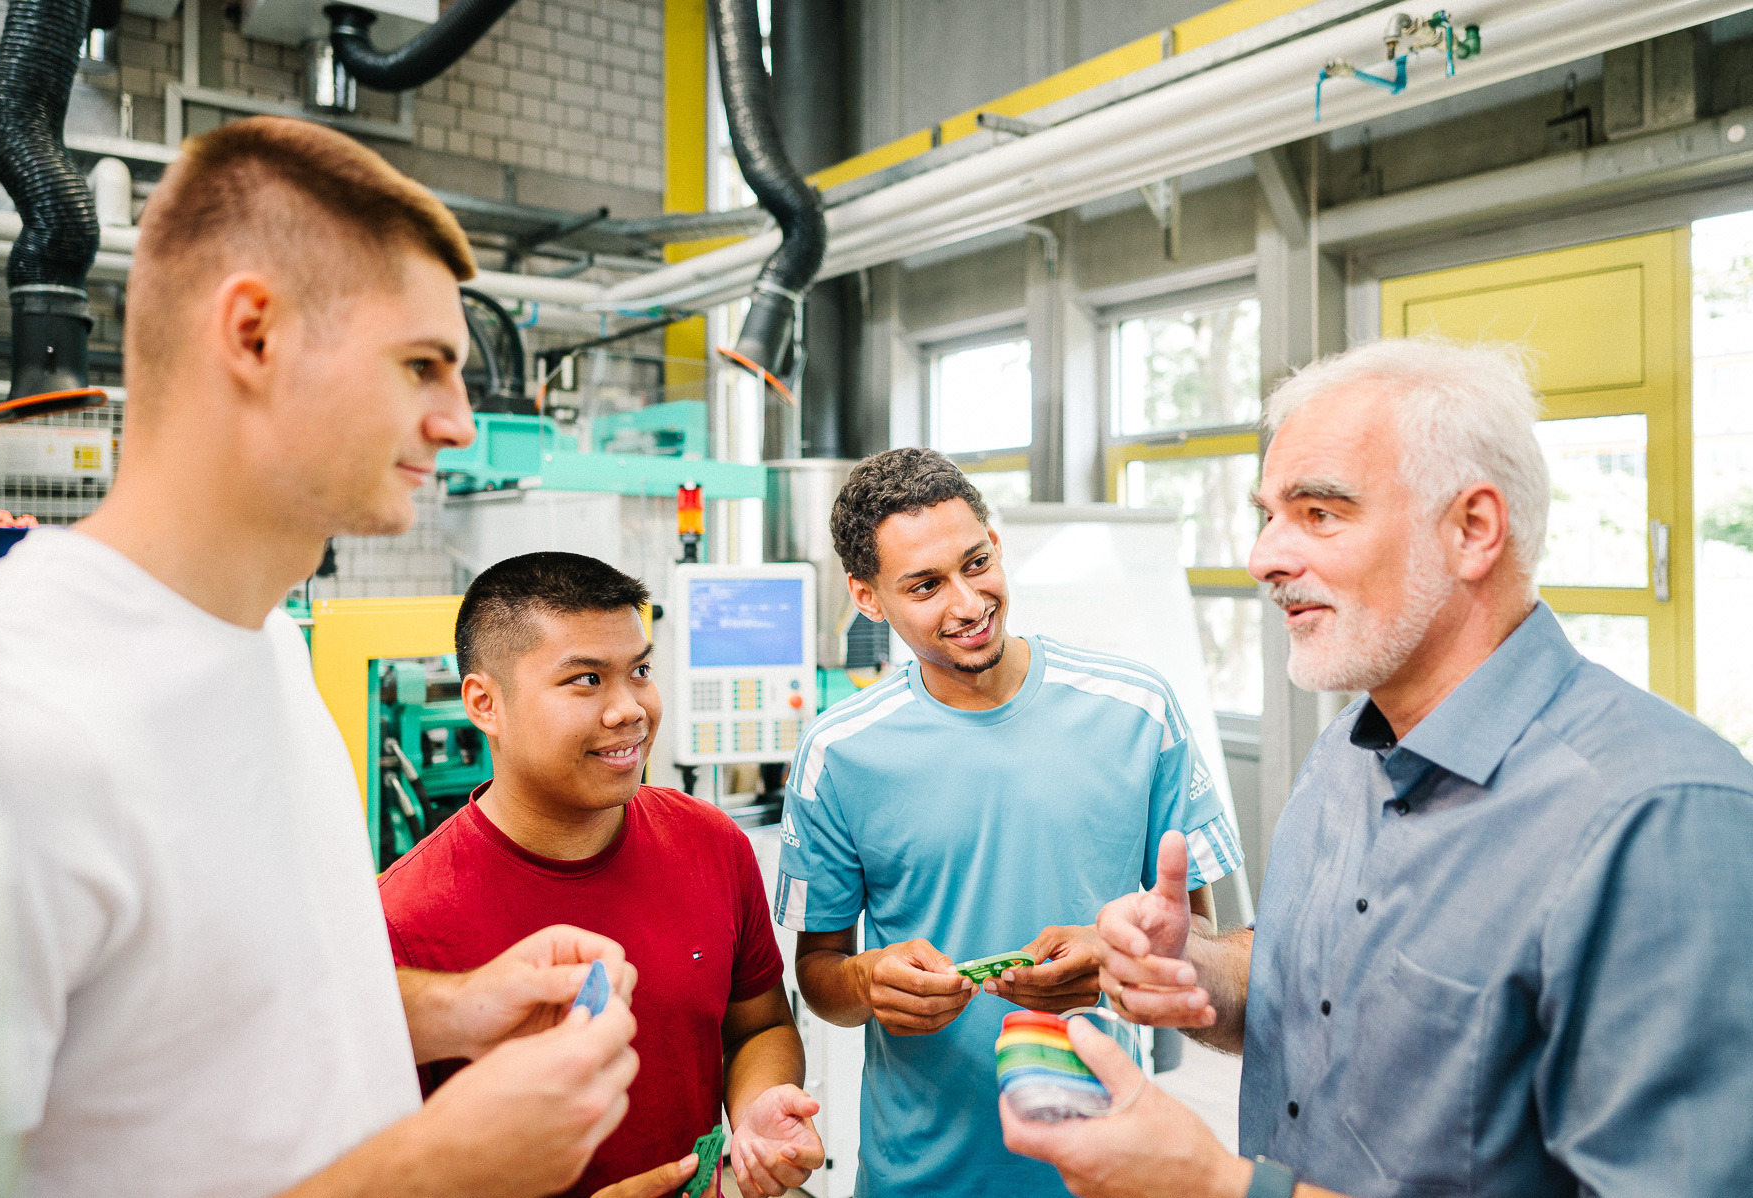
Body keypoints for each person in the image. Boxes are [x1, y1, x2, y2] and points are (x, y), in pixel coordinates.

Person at [0, 116, 643, 1198]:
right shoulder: (11, 724)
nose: (462, 422)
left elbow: (213, 1024)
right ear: (254, 335)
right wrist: (436, 1167)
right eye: (423, 365)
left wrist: (459, 1006)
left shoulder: (274, 649)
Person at [1002, 338, 1753, 1198]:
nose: (1264, 560)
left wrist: (1215, 1187)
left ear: (1472, 530)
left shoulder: (1660, 819)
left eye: (1320, 514)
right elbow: (1319, 993)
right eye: (1268, 515)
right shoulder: (1346, 754)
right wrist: (1199, 966)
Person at [776, 448, 1244, 1196]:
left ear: (996, 541)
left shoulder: (1137, 711)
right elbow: (820, 975)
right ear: (868, 599)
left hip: (1106, 1162)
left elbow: (1203, 945)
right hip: (918, 1176)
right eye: (925, 585)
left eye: (977, 561)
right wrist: (867, 980)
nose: (967, 602)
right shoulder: (840, 752)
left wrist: (1115, 959)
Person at [379, 551, 826, 1198]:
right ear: (484, 704)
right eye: (586, 680)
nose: (630, 709)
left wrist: (757, 1105)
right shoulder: (403, 925)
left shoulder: (712, 845)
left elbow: (757, 1025)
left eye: (639, 670)